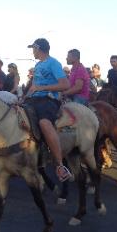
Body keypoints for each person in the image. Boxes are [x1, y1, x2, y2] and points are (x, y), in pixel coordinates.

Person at [25, 38, 72, 182]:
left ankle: (60, 165)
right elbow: (33, 87)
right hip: (33, 99)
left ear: (38, 49)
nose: (32, 51)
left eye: (33, 48)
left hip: (49, 100)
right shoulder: (38, 65)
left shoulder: (54, 63)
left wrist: (42, 88)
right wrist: (23, 98)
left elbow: (65, 85)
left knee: (44, 123)